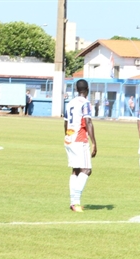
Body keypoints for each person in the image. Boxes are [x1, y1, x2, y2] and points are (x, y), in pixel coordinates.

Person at [63, 79, 97, 212]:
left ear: (77, 90)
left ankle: (73, 202)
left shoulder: (70, 103)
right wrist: (94, 142)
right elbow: (88, 121)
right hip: (80, 138)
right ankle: (76, 202)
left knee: (76, 170)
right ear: (87, 90)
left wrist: (67, 137)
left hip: (69, 138)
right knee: (87, 170)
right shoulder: (85, 103)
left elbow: (65, 123)